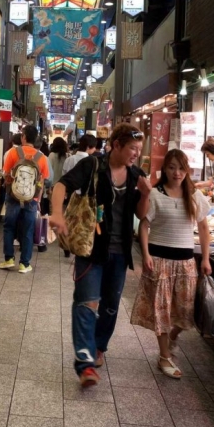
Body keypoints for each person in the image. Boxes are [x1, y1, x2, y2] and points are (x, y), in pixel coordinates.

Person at [50, 123, 152, 388]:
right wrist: (58, 214)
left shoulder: (136, 175)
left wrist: (146, 194)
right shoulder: (93, 166)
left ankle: (99, 347)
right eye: (132, 148)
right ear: (116, 145)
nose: (136, 155)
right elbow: (61, 186)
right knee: (86, 302)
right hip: (91, 249)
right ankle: (85, 363)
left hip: (120, 254)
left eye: (139, 150)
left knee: (110, 306)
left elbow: (141, 216)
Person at [131, 150, 212, 378]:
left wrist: (205, 258)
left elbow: (204, 229)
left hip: (186, 262)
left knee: (186, 314)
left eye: (181, 168)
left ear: (187, 170)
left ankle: (173, 337)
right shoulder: (155, 194)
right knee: (162, 312)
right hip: (159, 262)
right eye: (172, 168)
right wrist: (145, 254)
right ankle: (164, 357)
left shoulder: (194, 195)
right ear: (165, 169)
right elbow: (144, 226)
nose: (177, 173)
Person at [1, 125, 50, 273]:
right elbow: (43, 181)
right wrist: (38, 199)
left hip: (13, 196)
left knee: (9, 227)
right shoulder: (41, 157)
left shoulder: (13, 153)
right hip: (32, 199)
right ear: (36, 140)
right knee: (28, 230)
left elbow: (6, 174)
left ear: (23, 137)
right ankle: (25, 263)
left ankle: (9, 259)